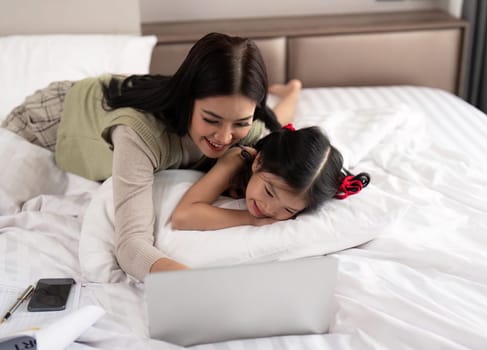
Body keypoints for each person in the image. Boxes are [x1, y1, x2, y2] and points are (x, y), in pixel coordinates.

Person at [1, 32, 302, 281]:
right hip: (53, 116)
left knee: (272, 123)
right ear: (189, 101)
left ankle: (293, 91)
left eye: (239, 123)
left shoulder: (245, 128)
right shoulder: (139, 134)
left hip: (133, 94)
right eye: (211, 120)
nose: (224, 138)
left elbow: (273, 131)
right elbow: (131, 246)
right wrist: (201, 287)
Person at [171, 124, 370, 230]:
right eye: (269, 192)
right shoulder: (238, 160)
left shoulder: (302, 190)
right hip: (251, 134)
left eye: (289, 209)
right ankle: (292, 90)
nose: (269, 209)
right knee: (274, 118)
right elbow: (183, 217)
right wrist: (249, 219)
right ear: (258, 162)